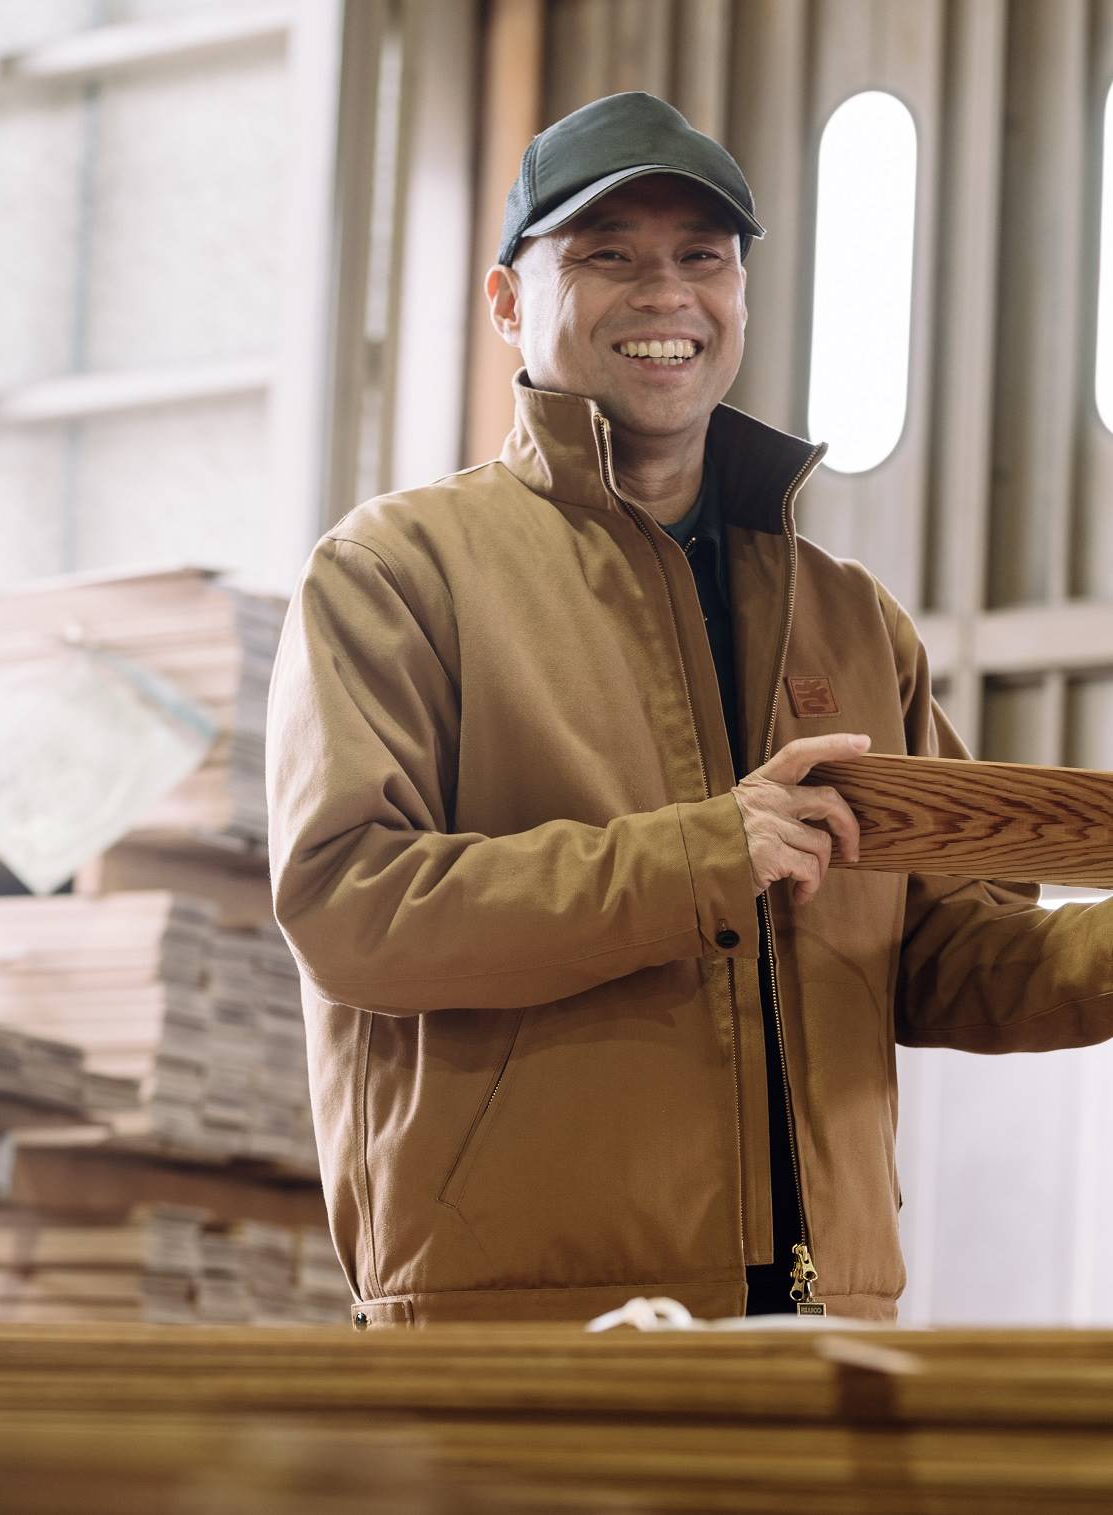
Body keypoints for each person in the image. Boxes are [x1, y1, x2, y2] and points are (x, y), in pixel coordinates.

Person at [264, 92, 1113, 1326]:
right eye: (607, 255)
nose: (665, 294)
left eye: (700, 258)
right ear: (511, 301)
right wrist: (706, 856)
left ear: (740, 296)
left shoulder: (852, 618)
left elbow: (951, 961)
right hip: (522, 1326)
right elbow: (349, 910)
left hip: (824, 1319)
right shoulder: (399, 572)